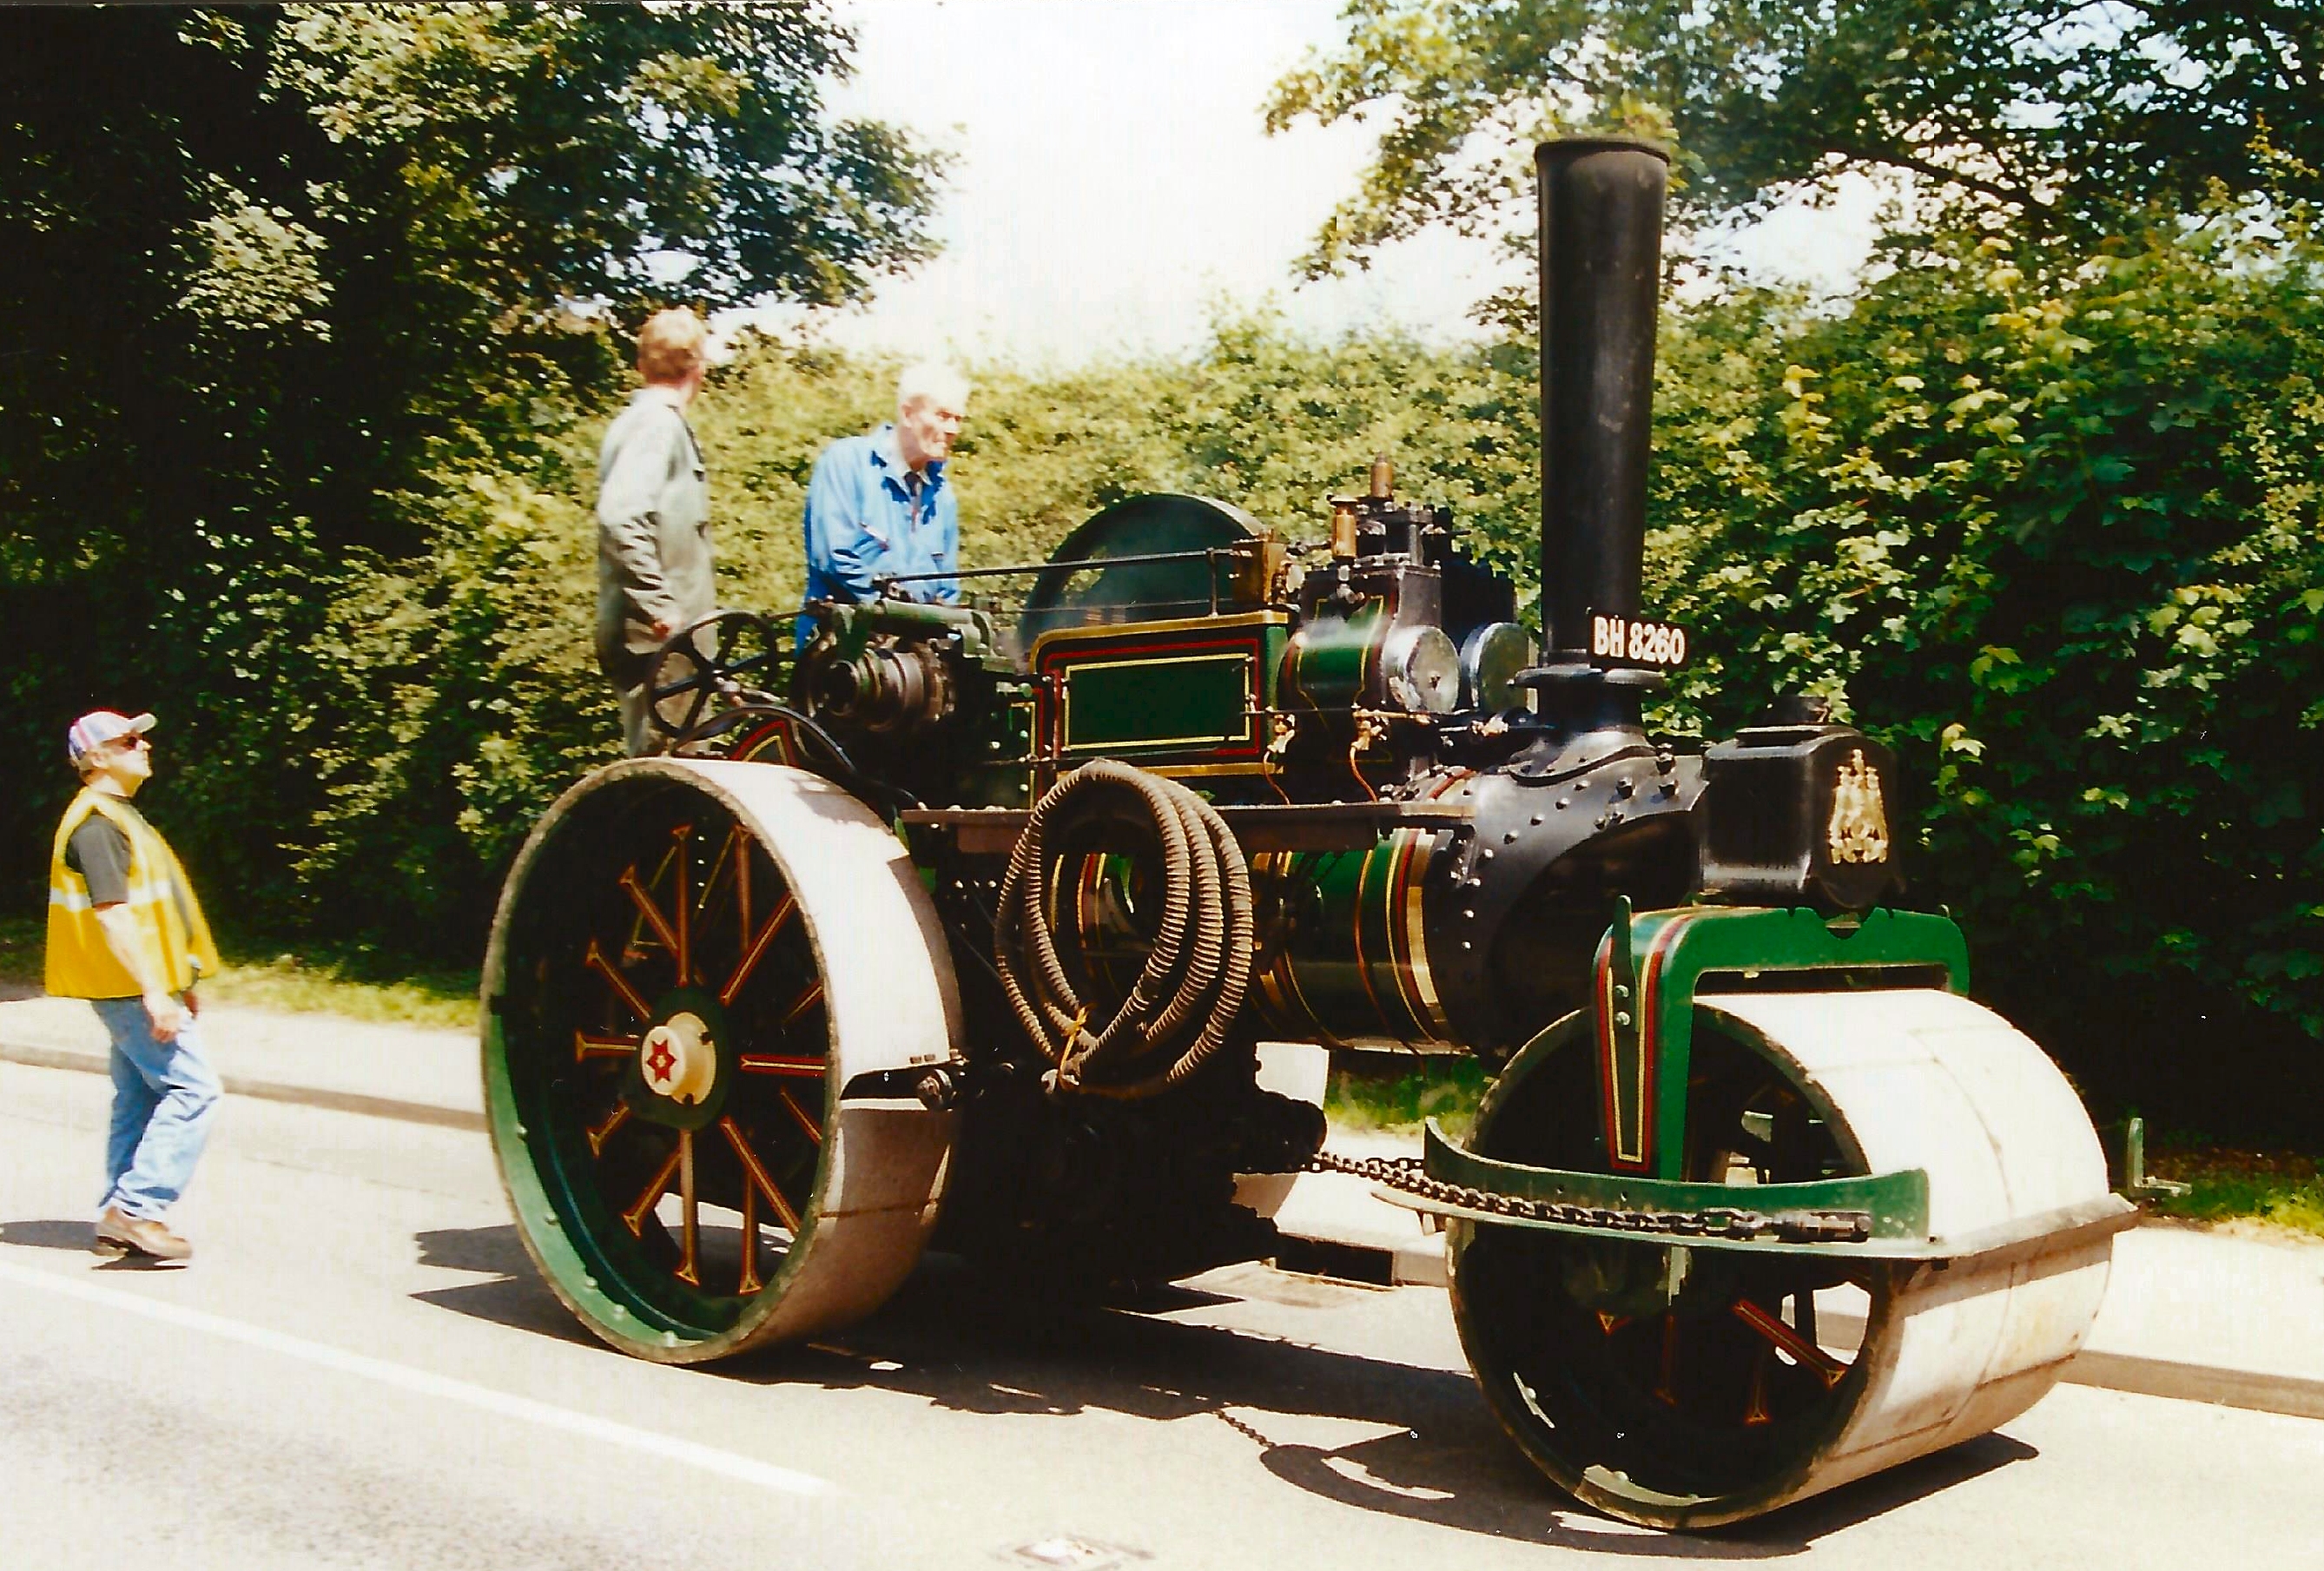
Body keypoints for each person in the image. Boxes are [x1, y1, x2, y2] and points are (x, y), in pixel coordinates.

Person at [44, 710, 223, 1263]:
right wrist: (153, 991)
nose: (143, 745)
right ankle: (139, 1209)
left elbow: (153, 911)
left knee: (141, 1097)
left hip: (133, 984)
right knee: (195, 1090)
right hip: (126, 987)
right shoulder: (98, 825)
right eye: (128, 740)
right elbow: (114, 915)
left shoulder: (118, 816)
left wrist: (176, 980)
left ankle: (117, 1217)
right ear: (96, 757)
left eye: (141, 738)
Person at [597, 307, 715, 756]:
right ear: (699, 368)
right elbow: (621, 517)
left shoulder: (639, 420)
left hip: (660, 640)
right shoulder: (657, 424)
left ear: (641, 365)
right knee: (670, 775)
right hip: (660, 644)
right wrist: (660, 605)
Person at [798, 361, 971, 644]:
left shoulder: (943, 496)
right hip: (843, 647)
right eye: (942, 416)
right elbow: (834, 557)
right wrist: (895, 616)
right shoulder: (845, 462)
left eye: (958, 419)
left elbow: (948, 588)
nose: (952, 429)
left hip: (915, 654)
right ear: (907, 413)